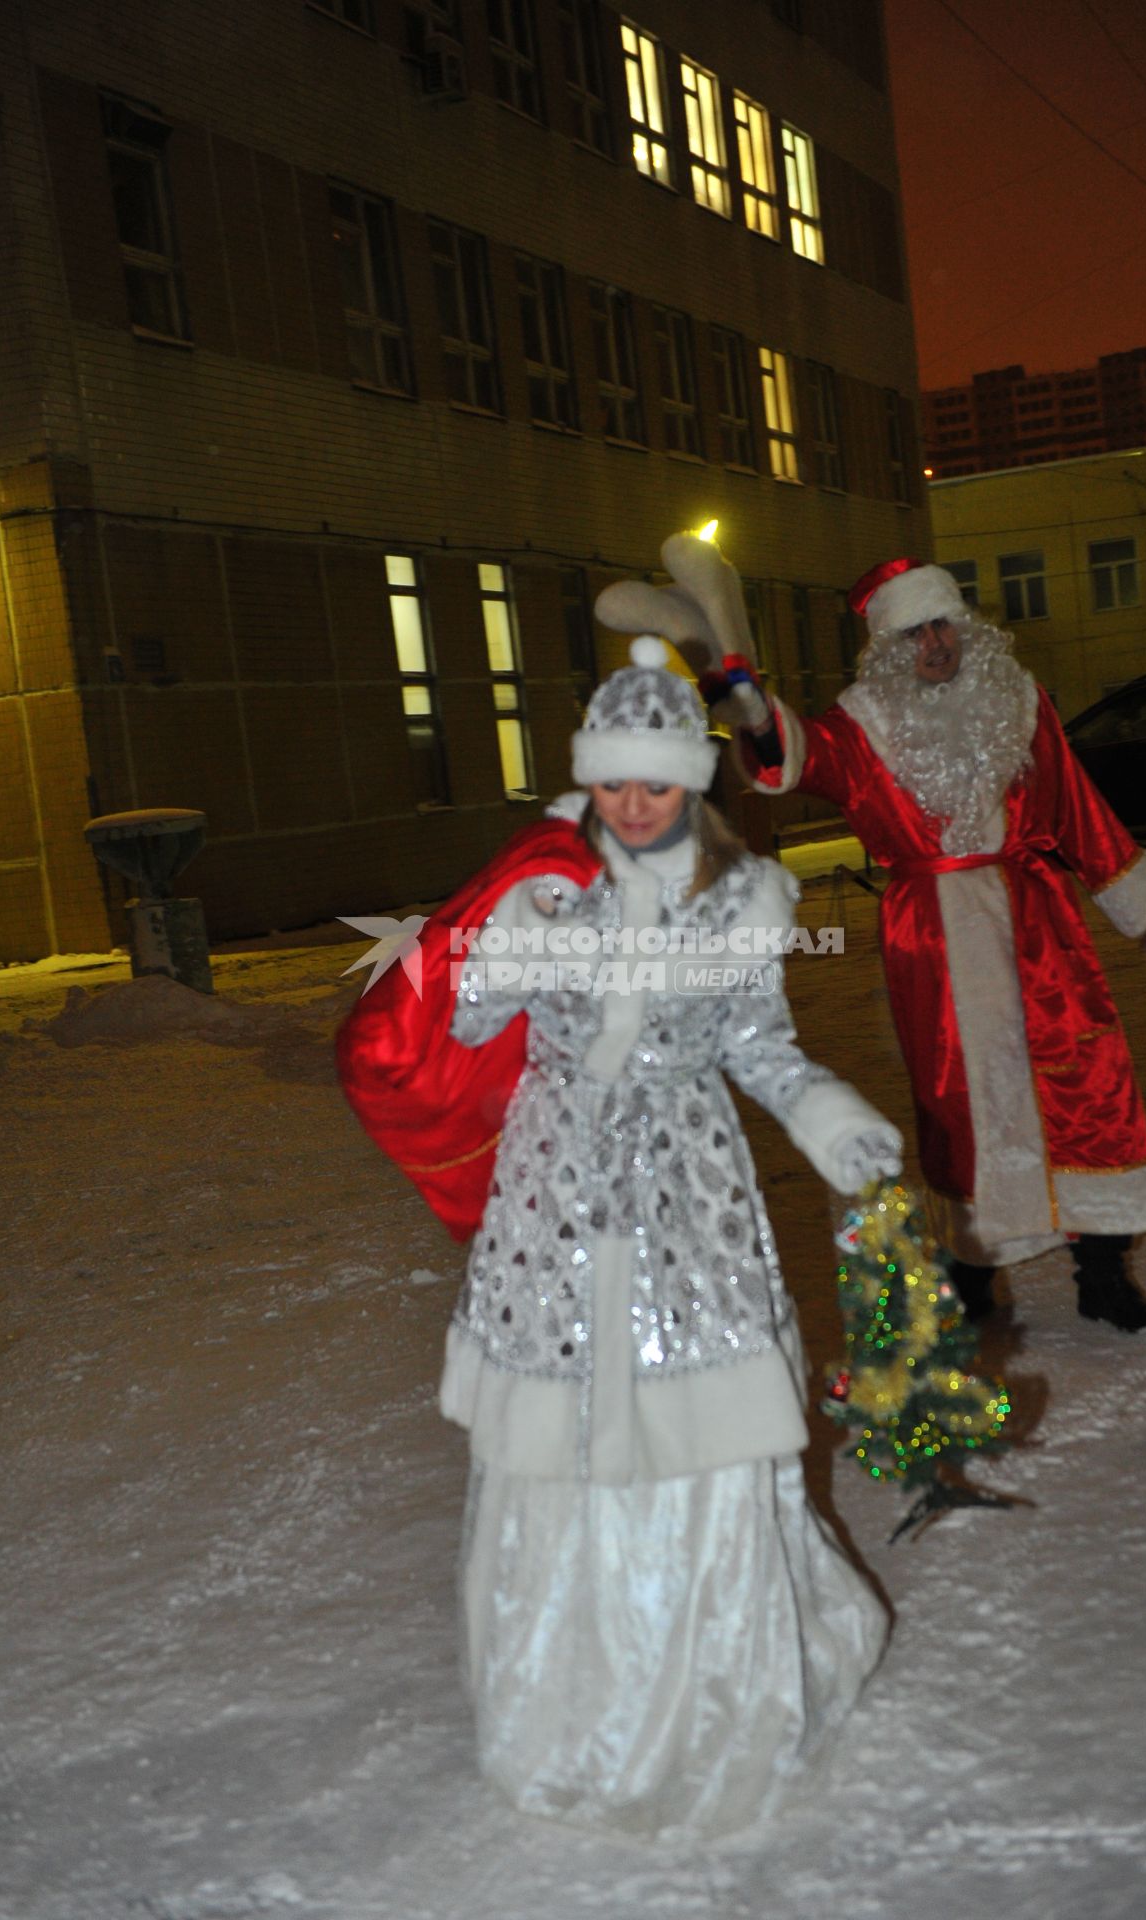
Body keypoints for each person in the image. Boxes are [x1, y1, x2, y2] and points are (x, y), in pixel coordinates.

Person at [416, 638, 900, 1836]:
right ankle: (560, 1696)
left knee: (704, 1411)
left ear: (694, 781)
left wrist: (824, 1114)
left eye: (659, 785)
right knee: (559, 1418)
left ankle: (718, 1679)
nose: (634, 809)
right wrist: (504, 929)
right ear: (588, 777)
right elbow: (465, 1013)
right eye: (616, 785)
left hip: (690, 1189)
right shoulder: (545, 881)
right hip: (556, 1192)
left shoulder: (742, 897)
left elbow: (758, 1046)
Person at [599, 539, 1146, 1333]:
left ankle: (1103, 1273)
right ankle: (973, 1285)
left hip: (1038, 922)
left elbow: (1075, 803)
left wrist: (1136, 899)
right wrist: (756, 716)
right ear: (888, 648)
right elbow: (793, 760)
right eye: (915, 634)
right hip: (935, 936)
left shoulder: (1017, 700)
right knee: (958, 1105)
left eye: (942, 626)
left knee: (1083, 1086)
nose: (934, 645)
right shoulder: (863, 727)